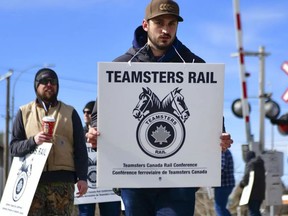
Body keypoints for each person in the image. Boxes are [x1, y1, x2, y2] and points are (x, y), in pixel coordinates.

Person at [87, 0, 234, 215]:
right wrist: (95, 132)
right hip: (133, 178)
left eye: (172, 24)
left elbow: (210, 115)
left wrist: (220, 136)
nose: (166, 30)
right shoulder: (120, 66)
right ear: (145, 25)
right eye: (159, 23)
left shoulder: (194, 65)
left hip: (180, 180)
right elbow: (100, 116)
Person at [10, 68, 88, 215]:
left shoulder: (70, 112)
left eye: (53, 82)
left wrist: (82, 178)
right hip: (32, 183)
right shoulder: (24, 112)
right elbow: (14, 147)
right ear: (36, 86)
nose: (49, 85)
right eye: (44, 81)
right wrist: (33, 141)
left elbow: (80, 149)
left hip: (63, 183)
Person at [78, 100, 121, 216]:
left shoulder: (109, 132)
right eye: (84, 112)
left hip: (108, 185)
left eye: (89, 112)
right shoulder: (79, 133)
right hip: (87, 185)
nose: (85, 114)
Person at [240, 151, 265, 216]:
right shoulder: (260, 165)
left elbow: (247, 177)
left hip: (252, 192)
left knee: (253, 212)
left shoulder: (250, 164)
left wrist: (242, 184)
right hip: (260, 193)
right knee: (256, 211)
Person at [214, 149, 235, 216]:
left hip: (223, 184)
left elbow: (221, 168)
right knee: (221, 207)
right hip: (226, 184)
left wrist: (210, 177)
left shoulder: (222, 151)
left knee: (219, 207)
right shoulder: (225, 151)